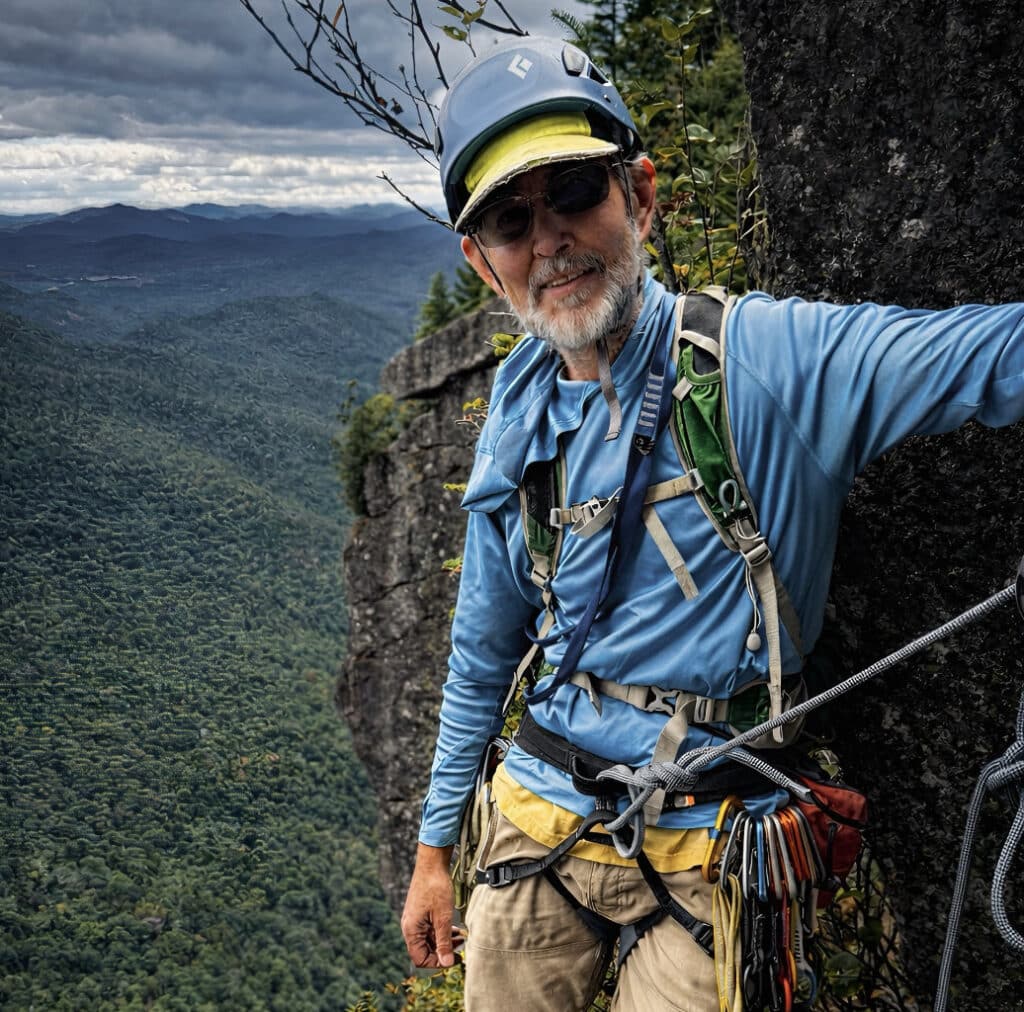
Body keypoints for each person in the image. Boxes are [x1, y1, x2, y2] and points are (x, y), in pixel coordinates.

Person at [400, 35, 1024, 1011]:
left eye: (572, 191)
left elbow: (987, 357)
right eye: (511, 223)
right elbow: (482, 655)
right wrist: (435, 851)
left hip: (716, 833)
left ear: (639, 196)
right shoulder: (517, 422)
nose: (549, 239)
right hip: (537, 807)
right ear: (484, 267)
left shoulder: (767, 365)